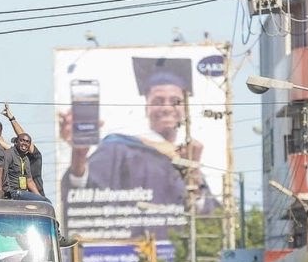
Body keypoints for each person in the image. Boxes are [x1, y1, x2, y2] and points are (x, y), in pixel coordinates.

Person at [60, 57, 219, 238]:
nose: (167, 108)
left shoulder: (188, 157)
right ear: (146, 107)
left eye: (175, 101)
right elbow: (82, 191)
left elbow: (211, 224)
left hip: (180, 257)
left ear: (185, 109)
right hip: (130, 257)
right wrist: (79, 154)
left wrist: (194, 175)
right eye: (158, 101)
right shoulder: (119, 148)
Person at [2, 103, 44, 196]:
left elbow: (23, 135)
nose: (23, 145)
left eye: (26, 142)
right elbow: (1, 142)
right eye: (19, 142)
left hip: (37, 195)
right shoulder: (16, 155)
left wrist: (12, 119)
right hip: (19, 194)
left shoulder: (35, 157)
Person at [3, 133, 47, 202]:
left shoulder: (26, 159)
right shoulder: (9, 154)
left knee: (45, 201)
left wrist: (40, 197)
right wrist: (7, 192)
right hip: (13, 192)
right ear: (16, 142)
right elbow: (3, 173)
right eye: (22, 140)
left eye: (27, 142)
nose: (25, 143)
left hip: (22, 192)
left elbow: (29, 181)